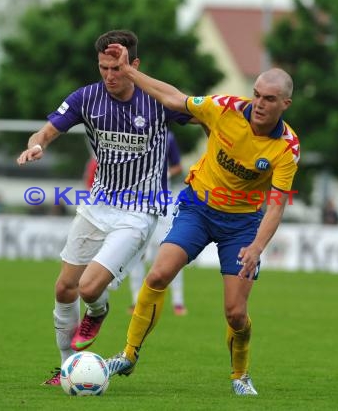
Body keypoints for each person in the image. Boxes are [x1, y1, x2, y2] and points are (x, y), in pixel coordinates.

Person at [103, 43, 300, 396]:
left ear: (285, 104)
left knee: (235, 313)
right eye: (256, 95)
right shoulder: (224, 109)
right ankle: (128, 354)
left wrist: (256, 247)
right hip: (197, 207)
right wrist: (129, 72)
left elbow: (277, 205)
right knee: (159, 273)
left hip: (241, 225)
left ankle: (240, 376)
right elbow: (175, 99)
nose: (259, 103)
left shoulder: (286, 147)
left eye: (269, 99)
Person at [15, 30, 193, 386]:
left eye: (117, 67)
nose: (110, 76)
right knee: (64, 289)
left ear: (133, 65)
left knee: (89, 289)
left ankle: (97, 310)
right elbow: (47, 131)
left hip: (140, 211)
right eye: (104, 68)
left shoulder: (155, 99)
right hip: (97, 205)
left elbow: (189, 106)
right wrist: (37, 145)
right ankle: (67, 367)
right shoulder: (87, 98)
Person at [127, 130, 187, 316]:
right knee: (136, 253)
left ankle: (178, 301)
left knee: (171, 252)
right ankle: (136, 299)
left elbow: (178, 166)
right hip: (137, 202)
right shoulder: (131, 135)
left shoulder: (167, 137)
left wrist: (163, 174)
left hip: (164, 203)